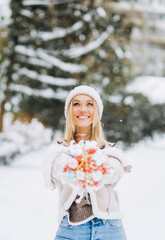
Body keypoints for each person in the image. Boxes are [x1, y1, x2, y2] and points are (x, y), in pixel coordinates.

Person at [43, 85, 132, 240]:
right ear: (69, 111)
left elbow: (112, 172)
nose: (83, 109)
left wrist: (80, 166)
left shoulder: (110, 149)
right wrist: (92, 165)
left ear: (96, 112)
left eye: (89, 104)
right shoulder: (58, 149)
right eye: (76, 104)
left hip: (109, 227)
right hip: (71, 229)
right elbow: (59, 171)